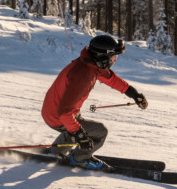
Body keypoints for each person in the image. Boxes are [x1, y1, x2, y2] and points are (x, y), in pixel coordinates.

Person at [41, 34, 148, 170]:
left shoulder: (90, 64)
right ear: (103, 57)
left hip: (55, 111)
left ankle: (56, 152)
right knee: (100, 131)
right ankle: (80, 159)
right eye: (113, 56)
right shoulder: (83, 76)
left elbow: (111, 79)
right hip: (58, 116)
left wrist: (133, 93)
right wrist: (80, 135)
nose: (115, 60)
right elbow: (64, 113)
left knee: (76, 126)